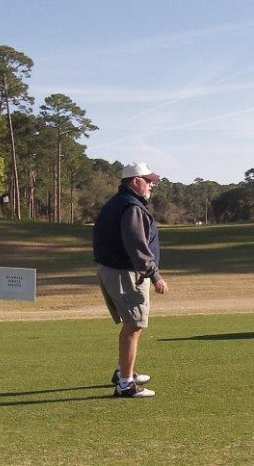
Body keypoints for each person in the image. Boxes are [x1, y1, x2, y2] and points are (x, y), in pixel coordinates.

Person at [93, 162, 169, 398]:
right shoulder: (131, 206)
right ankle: (125, 384)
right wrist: (154, 275)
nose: (151, 186)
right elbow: (136, 246)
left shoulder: (121, 203)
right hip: (126, 273)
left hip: (117, 270)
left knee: (132, 324)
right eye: (148, 181)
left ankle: (124, 372)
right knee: (134, 325)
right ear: (135, 181)